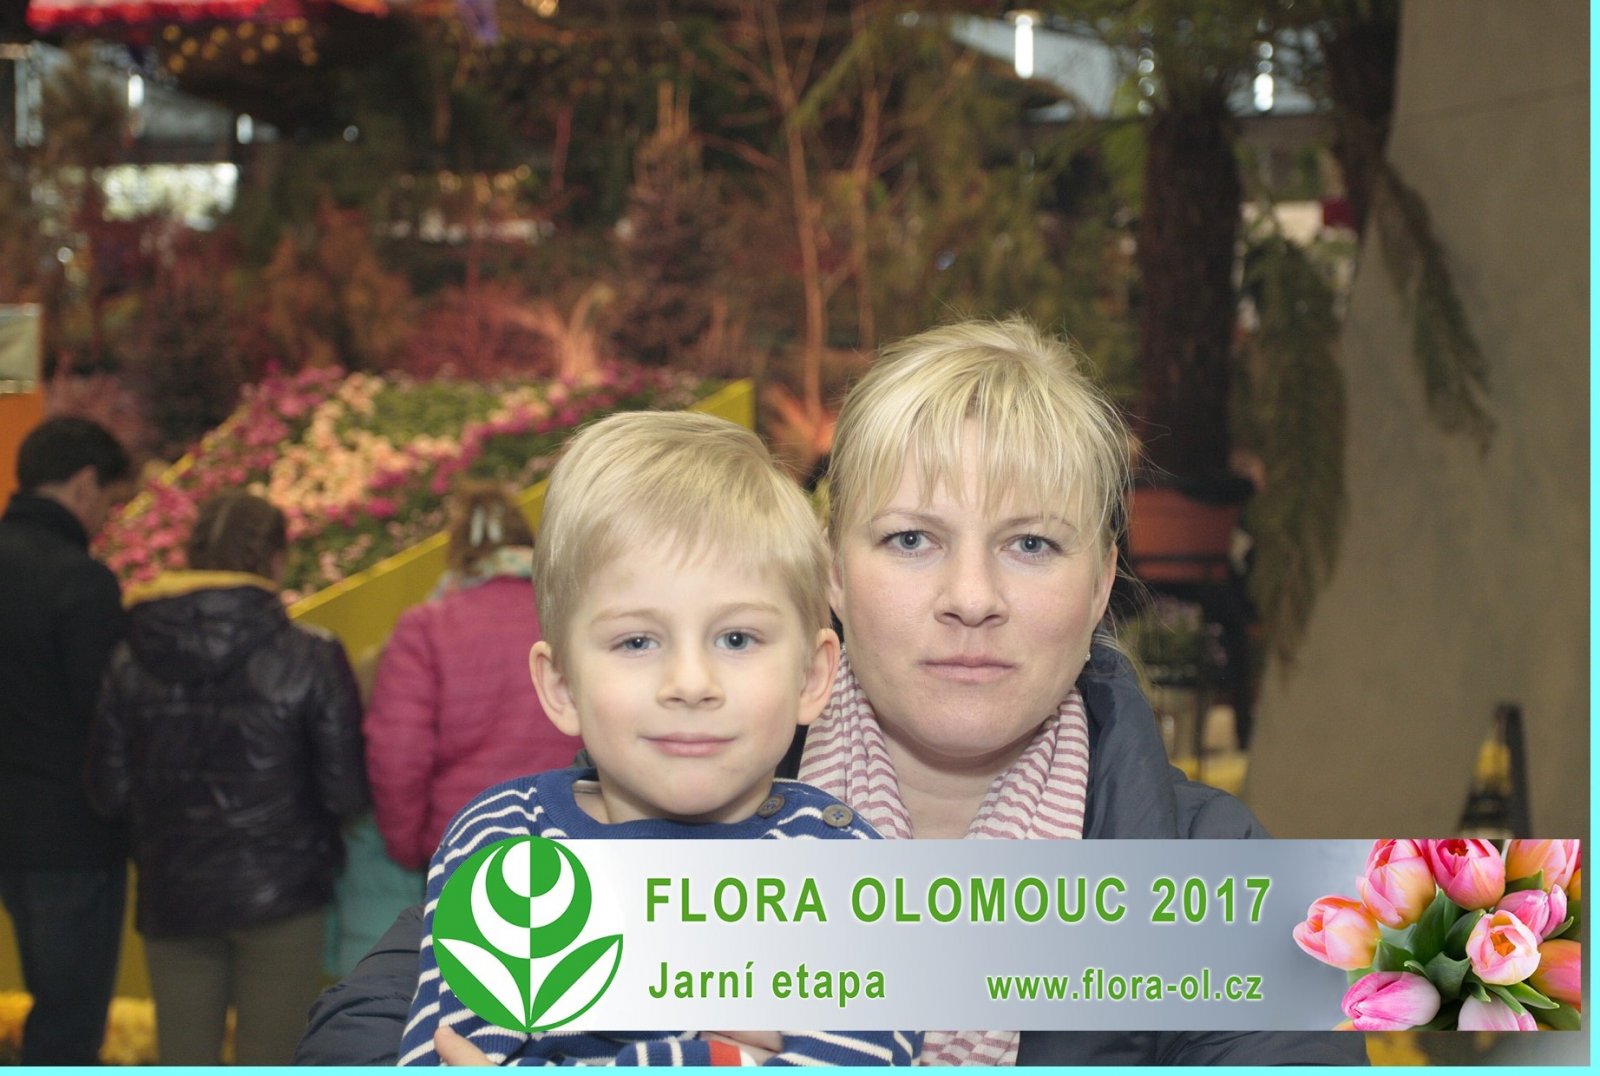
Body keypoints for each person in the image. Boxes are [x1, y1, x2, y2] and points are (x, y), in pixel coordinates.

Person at [294, 319, 1367, 1067]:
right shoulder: (613, 813)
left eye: (1032, 544)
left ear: (1100, 586)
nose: (971, 597)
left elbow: (1459, 956)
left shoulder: (1211, 868)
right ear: (832, 576)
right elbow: (354, 1035)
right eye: (911, 539)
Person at [398, 411, 918, 1067]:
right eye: (638, 641)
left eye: (737, 638)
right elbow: (448, 1056)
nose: (691, 683)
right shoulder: (504, 844)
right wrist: (717, 1057)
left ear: (812, 676)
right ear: (562, 685)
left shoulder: (841, 869)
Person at [88, 492, 369, 1064]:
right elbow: (346, 791)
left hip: (173, 894)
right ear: (275, 560)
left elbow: (107, 792)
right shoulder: (311, 655)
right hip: (284, 894)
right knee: (273, 1056)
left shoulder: (129, 660)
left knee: (184, 1057)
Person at [0, 415, 133, 1065]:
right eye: (109, 500)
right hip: (70, 837)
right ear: (85, 484)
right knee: (69, 1021)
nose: (106, 518)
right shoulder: (81, 581)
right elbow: (107, 719)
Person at [365, 481, 582, 874]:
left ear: (458, 551)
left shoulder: (425, 626)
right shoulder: (572, 614)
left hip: (466, 843)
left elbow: (398, 752)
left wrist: (411, 846)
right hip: (573, 830)